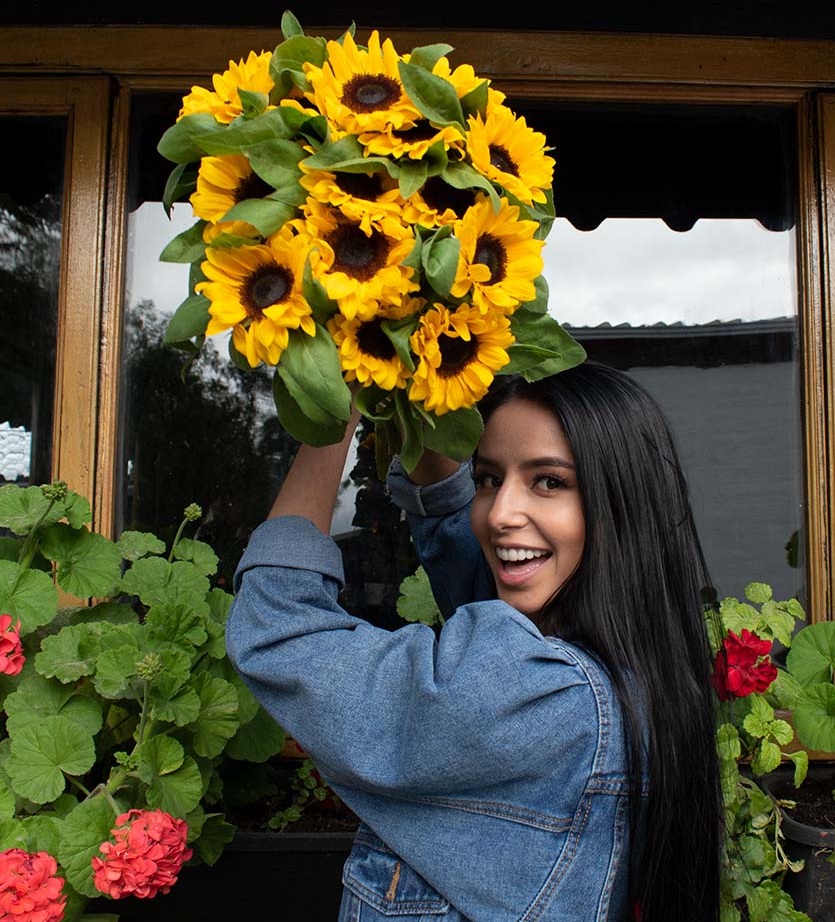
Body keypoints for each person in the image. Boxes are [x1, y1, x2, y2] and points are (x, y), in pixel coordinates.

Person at [226, 362, 722, 921]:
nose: (501, 514)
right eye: (489, 478)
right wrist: (414, 373)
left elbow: (279, 627)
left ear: (622, 507)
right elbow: (480, 562)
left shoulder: (542, 699)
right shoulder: (630, 665)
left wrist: (331, 399)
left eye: (550, 481)